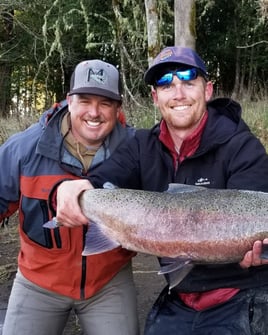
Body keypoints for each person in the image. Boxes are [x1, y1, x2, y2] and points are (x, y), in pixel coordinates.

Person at [53, 46, 268, 335]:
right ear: (156, 98)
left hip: (240, 296)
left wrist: (259, 252)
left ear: (207, 91)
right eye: (166, 85)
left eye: (189, 83)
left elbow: (255, 212)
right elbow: (101, 181)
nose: (178, 93)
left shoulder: (242, 146)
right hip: (178, 298)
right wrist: (71, 188)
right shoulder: (142, 146)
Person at [0, 59, 139, 335]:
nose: (94, 112)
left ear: (118, 108)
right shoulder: (24, 149)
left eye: (105, 103)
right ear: (69, 101)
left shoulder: (138, 150)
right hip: (38, 280)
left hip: (108, 281)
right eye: (85, 100)